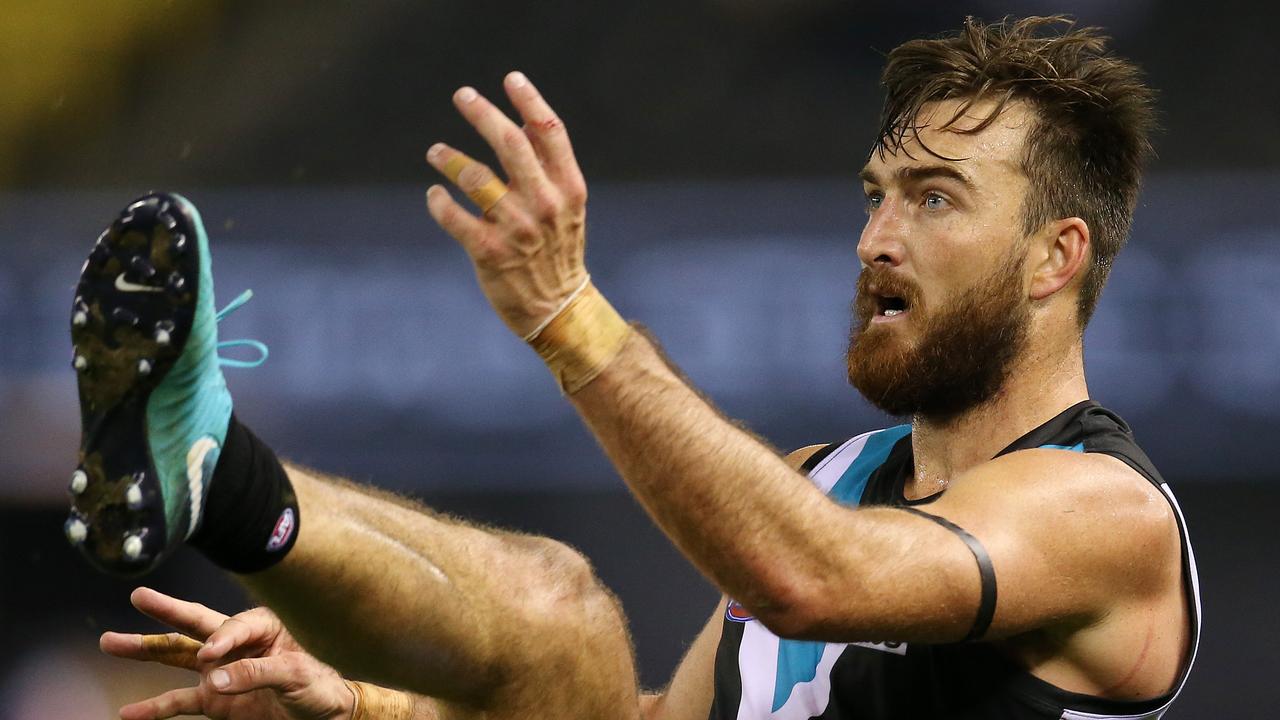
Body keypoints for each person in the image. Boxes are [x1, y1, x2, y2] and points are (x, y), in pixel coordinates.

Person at [71, 15, 1199, 720]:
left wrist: (570, 317)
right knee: (562, 610)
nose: (875, 240)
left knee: (575, 606)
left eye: (934, 199)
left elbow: (817, 582)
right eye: (875, 196)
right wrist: (354, 705)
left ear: (1054, 257)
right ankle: (219, 476)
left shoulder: (1105, 511)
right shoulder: (824, 483)